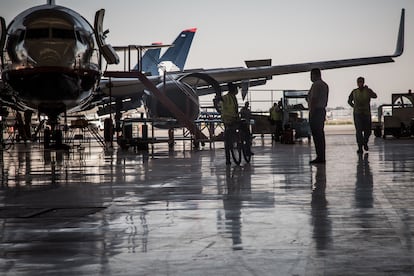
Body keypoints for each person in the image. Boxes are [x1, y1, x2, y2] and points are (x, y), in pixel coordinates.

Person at [347, 76, 377, 154]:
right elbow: (349, 100)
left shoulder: (367, 90)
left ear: (363, 82)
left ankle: (365, 142)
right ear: (357, 83)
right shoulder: (354, 91)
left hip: (366, 113)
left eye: (361, 82)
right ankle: (360, 147)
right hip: (357, 114)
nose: (360, 83)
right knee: (359, 131)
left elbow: (375, 96)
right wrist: (354, 106)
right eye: (358, 82)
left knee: (368, 131)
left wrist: (369, 91)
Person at [307, 68, 329, 164]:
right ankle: (321, 156)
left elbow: (314, 100)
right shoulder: (325, 85)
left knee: (316, 135)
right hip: (322, 110)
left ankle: (319, 157)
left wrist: (311, 112)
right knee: (320, 134)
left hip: (316, 111)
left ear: (315, 75)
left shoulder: (316, 85)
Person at [220, 82, 239, 165]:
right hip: (232, 119)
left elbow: (218, 103)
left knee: (227, 141)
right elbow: (236, 109)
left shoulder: (225, 97)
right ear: (234, 90)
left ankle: (228, 160)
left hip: (226, 120)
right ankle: (247, 149)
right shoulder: (231, 98)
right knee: (245, 129)